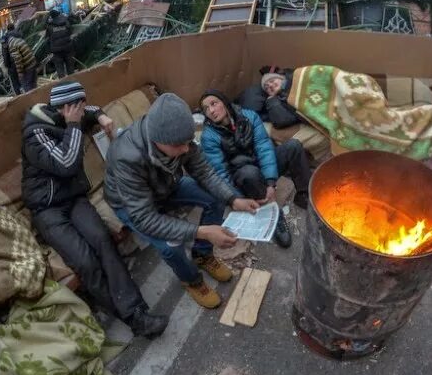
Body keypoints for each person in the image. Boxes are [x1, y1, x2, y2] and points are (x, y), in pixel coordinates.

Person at [21, 81, 168, 338]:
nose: (84, 109)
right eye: (80, 107)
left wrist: (99, 115)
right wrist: (75, 125)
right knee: (86, 261)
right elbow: (66, 163)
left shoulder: (60, 114)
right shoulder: (35, 133)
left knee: (102, 241)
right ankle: (133, 319)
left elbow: (93, 109)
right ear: (67, 109)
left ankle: (136, 313)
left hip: (74, 199)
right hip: (47, 209)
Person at [104, 93, 261, 309]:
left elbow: (204, 171)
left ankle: (202, 255)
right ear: (158, 140)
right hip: (132, 206)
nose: (187, 149)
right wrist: (202, 232)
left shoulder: (180, 139)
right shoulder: (126, 157)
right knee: (171, 245)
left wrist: (233, 199)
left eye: (188, 142)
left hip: (166, 185)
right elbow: (145, 218)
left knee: (215, 200)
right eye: (180, 145)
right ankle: (192, 280)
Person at [200, 90, 309, 248]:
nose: (210, 110)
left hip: (262, 170)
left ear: (224, 101)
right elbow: (220, 173)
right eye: (205, 109)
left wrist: (271, 182)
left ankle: (304, 195)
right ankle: (273, 213)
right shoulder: (208, 136)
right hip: (242, 180)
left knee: (294, 146)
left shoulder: (249, 117)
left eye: (213, 103)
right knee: (249, 172)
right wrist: (236, 199)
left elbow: (263, 147)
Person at [6, 26, 38, 92]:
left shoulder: (12, 45)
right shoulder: (17, 39)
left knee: (26, 85)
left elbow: (18, 60)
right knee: (33, 85)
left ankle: (31, 100)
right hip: (32, 62)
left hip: (28, 66)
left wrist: (20, 73)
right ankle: (37, 98)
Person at [46, 9, 75, 78]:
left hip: (57, 52)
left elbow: (48, 38)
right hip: (68, 48)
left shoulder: (50, 27)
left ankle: (63, 85)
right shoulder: (66, 22)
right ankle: (73, 83)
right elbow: (70, 32)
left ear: (52, 17)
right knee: (70, 69)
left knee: (60, 70)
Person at [0, 27, 22, 95]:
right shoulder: (19, 35)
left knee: (15, 82)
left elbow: (5, 53)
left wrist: (7, 64)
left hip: (12, 63)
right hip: (21, 60)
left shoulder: (5, 38)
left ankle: (19, 96)